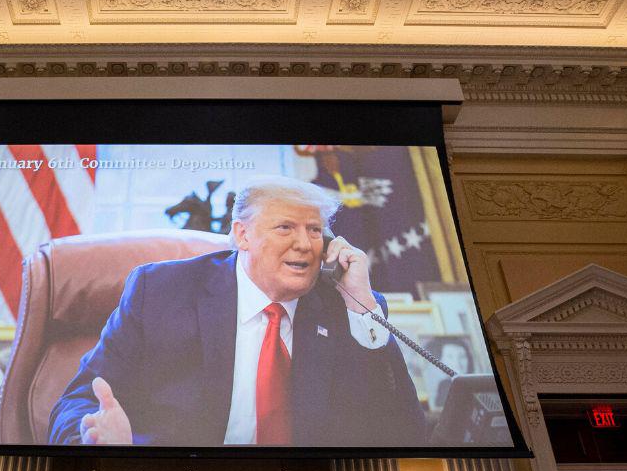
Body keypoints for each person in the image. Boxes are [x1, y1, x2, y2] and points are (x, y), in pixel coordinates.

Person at [47, 176, 425, 447]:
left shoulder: (345, 304)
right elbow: (77, 400)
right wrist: (91, 438)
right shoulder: (162, 292)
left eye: (314, 230)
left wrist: (362, 307)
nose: (305, 245)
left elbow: (402, 427)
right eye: (285, 227)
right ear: (242, 235)